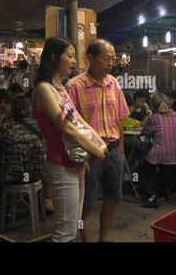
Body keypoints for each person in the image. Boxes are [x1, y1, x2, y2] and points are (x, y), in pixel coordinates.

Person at [33, 37, 106, 242]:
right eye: (70, 56)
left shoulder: (61, 88)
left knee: (73, 226)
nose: (74, 61)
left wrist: (99, 141)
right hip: (61, 163)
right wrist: (96, 150)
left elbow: (79, 121)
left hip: (76, 161)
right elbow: (68, 129)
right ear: (54, 57)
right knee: (64, 231)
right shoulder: (44, 88)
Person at [66, 39, 130, 242]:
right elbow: (69, 126)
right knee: (88, 203)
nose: (110, 63)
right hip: (89, 153)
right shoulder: (74, 86)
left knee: (114, 197)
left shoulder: (114, 83)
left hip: (112, 150)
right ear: (90, 58)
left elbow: (119, 118)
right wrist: (82, 156)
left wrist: (120, 148)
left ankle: (105, 237)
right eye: (105, 59)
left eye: (113, 59)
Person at [0, 95, 45, 185]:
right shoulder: (39, 126)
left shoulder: (7, 127)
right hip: (38, 174)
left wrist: (1, 118)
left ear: (12, 111)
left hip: (12, 176)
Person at [140, 92, 176, 208]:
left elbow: (145, 132)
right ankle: (164, 189)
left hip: (160, 155)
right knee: (165, 168)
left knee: (143, 171)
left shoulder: (154, 118)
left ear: (153, 105)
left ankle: (151, 198)